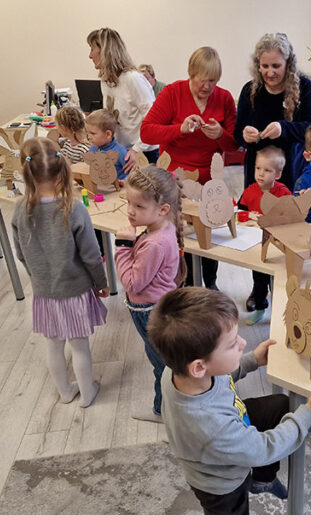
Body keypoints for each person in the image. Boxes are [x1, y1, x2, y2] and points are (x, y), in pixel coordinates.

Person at [148, 286, 311, 515]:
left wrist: (252, 360)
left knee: (281, 407)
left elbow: (221, 375)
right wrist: (309, 415)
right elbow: (263, 450)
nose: (243, 343)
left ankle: (262, 480)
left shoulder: (178, 371)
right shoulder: (211, 427)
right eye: (232, 345)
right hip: (221, 485)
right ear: (199, 367)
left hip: (231, 419)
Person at [12, 138, 108, 407]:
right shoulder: (74, 208)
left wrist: (36, 276)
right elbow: (91, 254)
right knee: (79, 346)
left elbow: (20, 252)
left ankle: (65, 392)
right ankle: (87, 393)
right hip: (75, 290)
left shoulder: (20, 208)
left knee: (53, 345)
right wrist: (101, 283)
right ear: (62, 168)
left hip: (44, 292)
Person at [142, 46, 239, 290]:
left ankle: (211, 284)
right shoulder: (172, 92)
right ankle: (184, 285)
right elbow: (147, 131)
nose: (206, 86)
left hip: (209, 181)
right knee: (178, 237)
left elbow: (235, 143)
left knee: (209, 237)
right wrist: (180, 129)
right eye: (201, 79)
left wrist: (221, 135)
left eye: (213, 81)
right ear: (190, 73)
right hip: (175, 181)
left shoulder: (225, 98)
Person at [114, 165, 186, 422]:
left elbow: (133, 284)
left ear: (162, 209)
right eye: (129, 203)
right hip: (158, 306)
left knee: (161, 366)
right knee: (161, 360)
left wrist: (123, 247)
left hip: (148, 311)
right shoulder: (162, 228)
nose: (131, 212)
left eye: (139, 207)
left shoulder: (155, 243)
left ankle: (163, 412)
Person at [235, 32, 311, 191]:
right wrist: (245, 135)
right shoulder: (250, 90)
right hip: (258, 172)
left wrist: (284, 128)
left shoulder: (304, 87)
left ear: (288, 64)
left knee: (288, 212)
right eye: (264, 66)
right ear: (257, 65)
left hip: (292, 169)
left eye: (276, 66)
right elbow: (238, 132)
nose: (270, 72)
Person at [87, 28, 158, 168]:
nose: (90, 55)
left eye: (92, 49)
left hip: (143, 152)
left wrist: (136, 150)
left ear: (104, 51)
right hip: (122, 150)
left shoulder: (133, 79)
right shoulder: (106, 80)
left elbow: (154, 119)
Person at [237, 146, 290, 324]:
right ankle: (260, 308)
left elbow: (290, 216)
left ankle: (281, 313)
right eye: (258, 168)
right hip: (256, 245)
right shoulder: (250, 191)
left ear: (278, 174)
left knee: (279, 282)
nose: (261, 173)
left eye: (267, 170)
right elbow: (240, 213)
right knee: (259, 279)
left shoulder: (283, 193)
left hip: (278, 246)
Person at [85, 109, 128, 182]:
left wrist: (125, 181)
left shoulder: (121, 152)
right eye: (87, 133)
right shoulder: (92, 148)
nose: (88, 137)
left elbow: (133, 174)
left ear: (108, 134)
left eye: (92, 133)